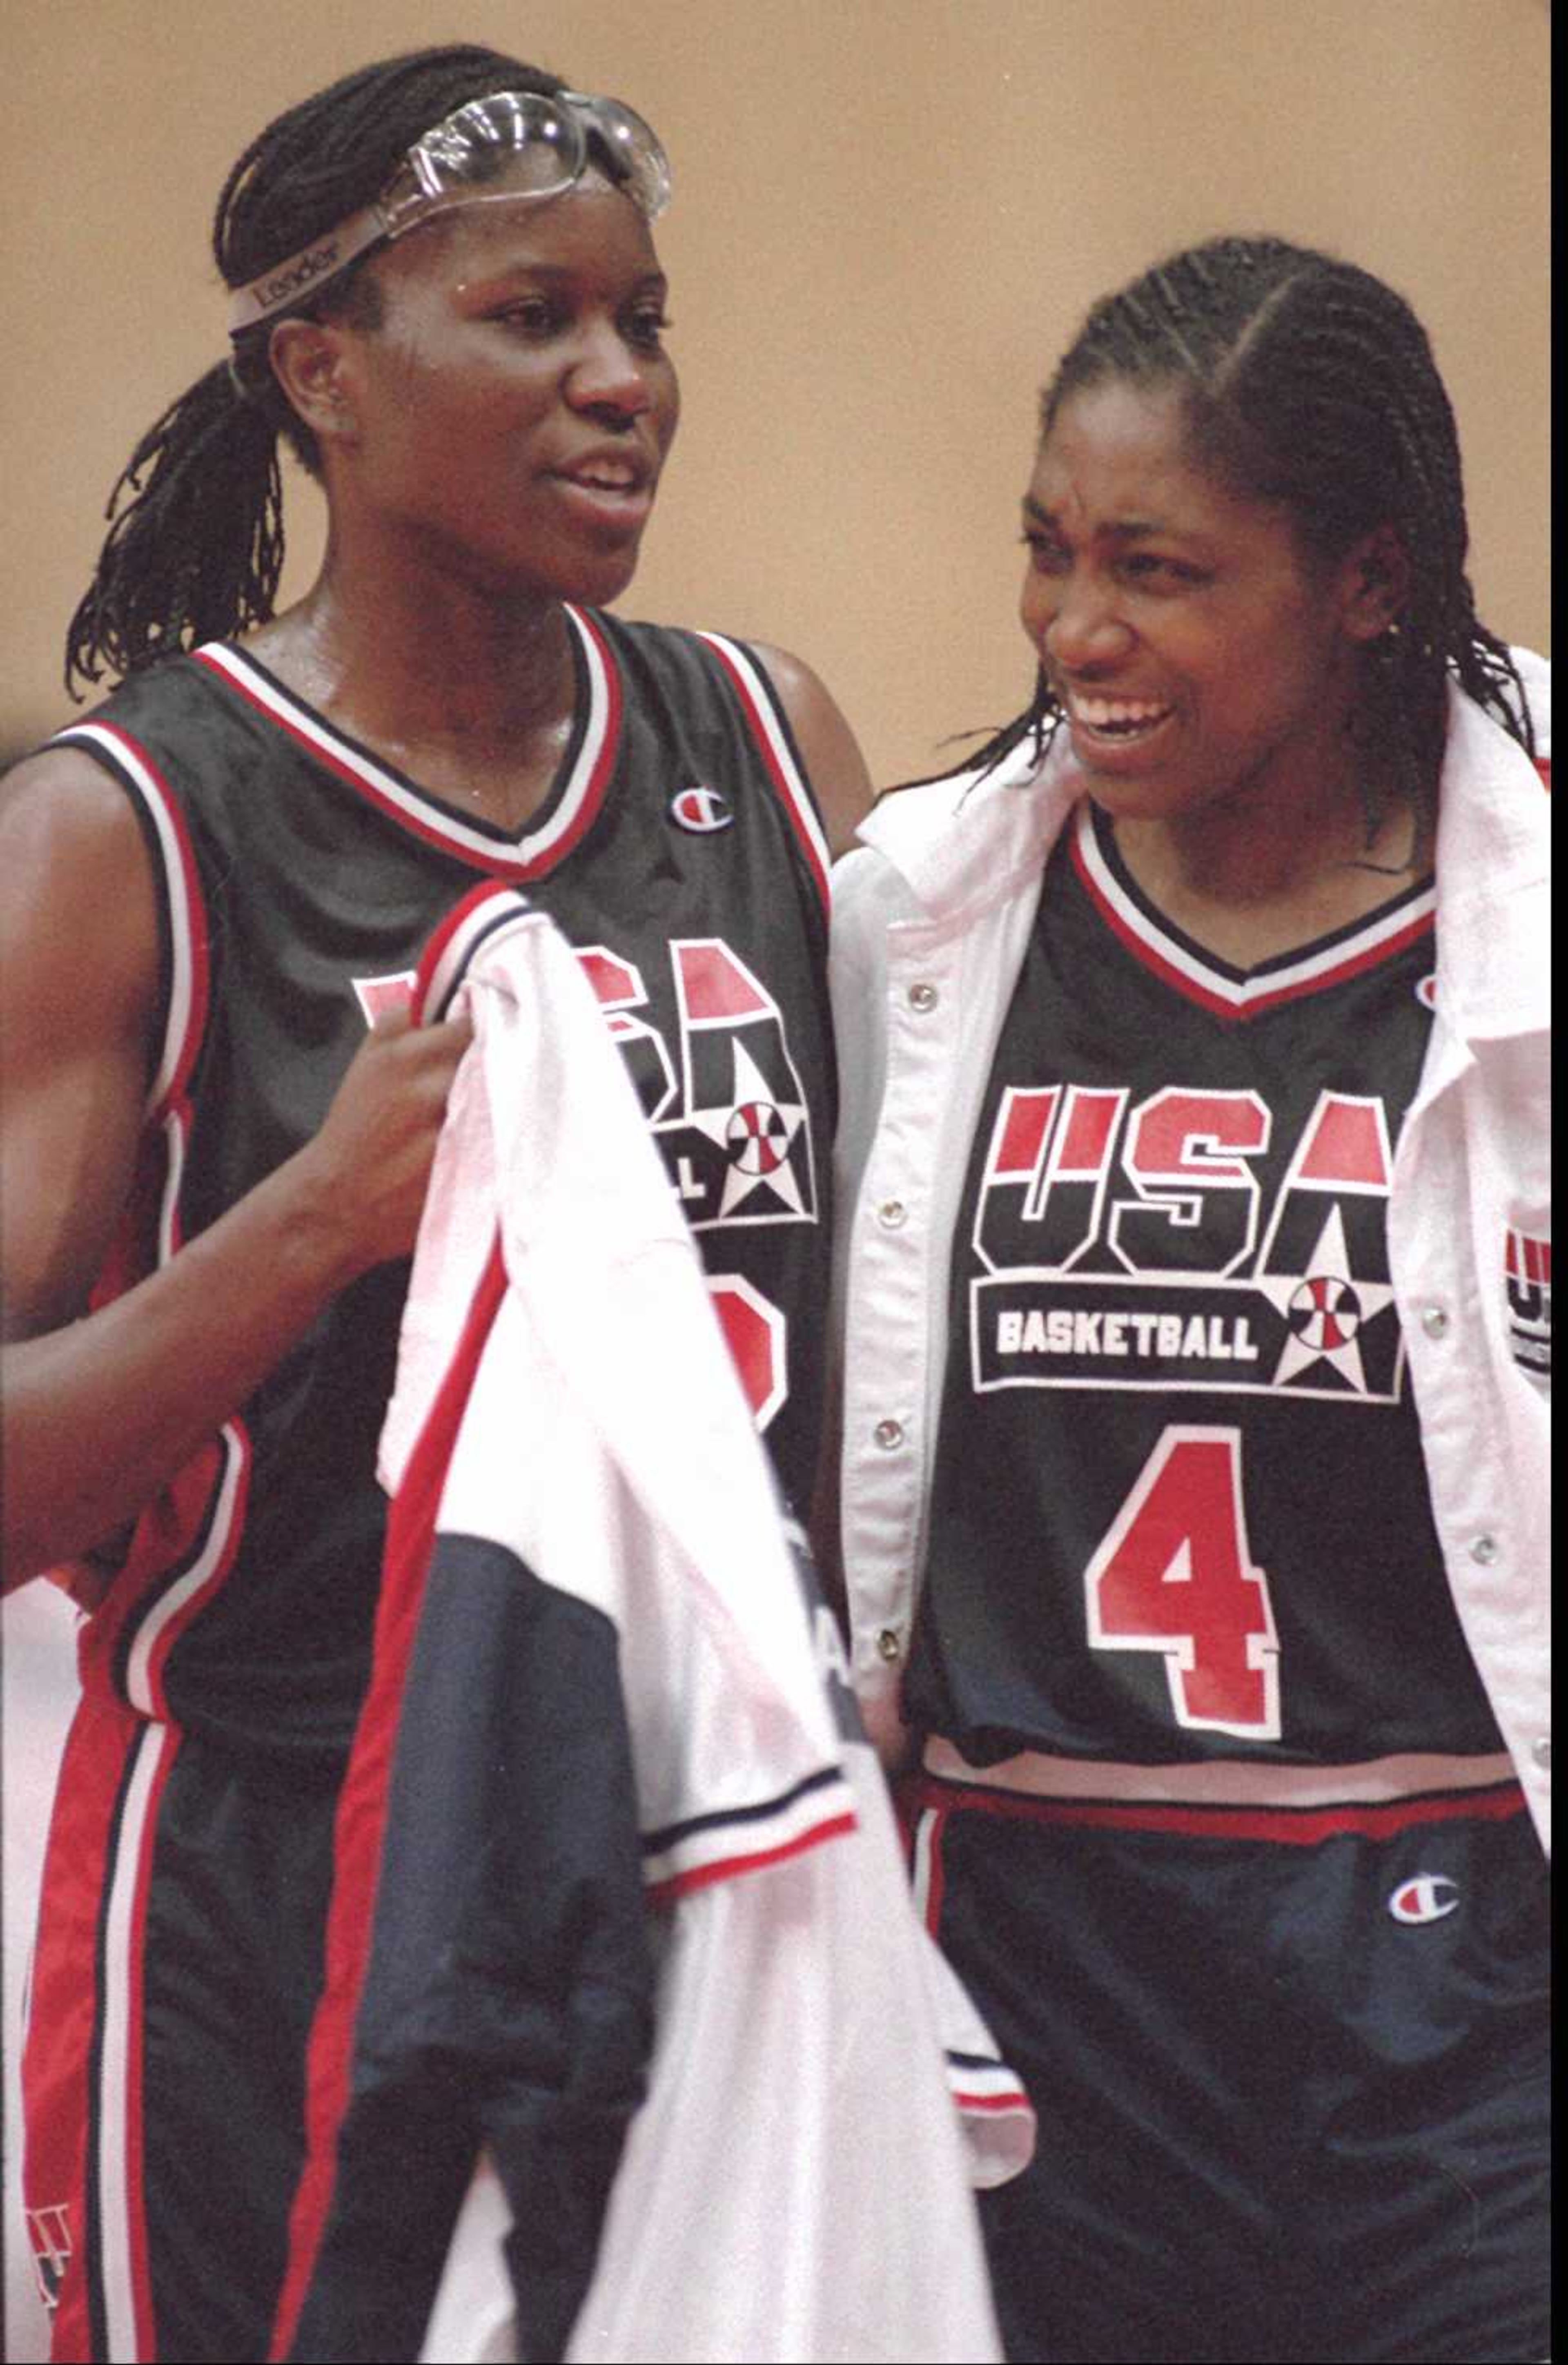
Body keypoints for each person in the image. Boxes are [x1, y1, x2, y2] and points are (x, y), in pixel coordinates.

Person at [1, 44, 870, 2363]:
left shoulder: (765, 743)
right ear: (323, 376)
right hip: (278, 1884)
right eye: (533, 319)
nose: (622, 385)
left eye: (646, 319)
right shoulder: (123, 835)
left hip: (711, 1849)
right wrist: (307, 1225)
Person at [830, 235, 1549, 2365]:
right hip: (1031, 1959)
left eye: (1158, 568)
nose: (1077, 631)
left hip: (1446, 1963)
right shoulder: (918, 924)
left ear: (1369, 582)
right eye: (1049, 555)